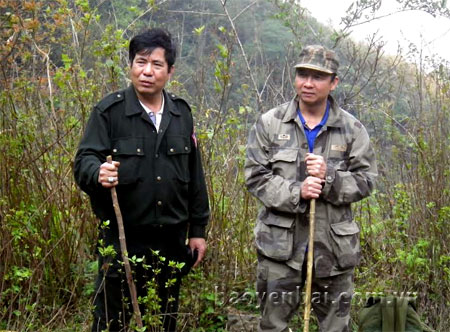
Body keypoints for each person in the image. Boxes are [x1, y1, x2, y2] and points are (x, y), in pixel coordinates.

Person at [74, 28, 210, 332]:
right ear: (131, 65)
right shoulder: (109, 112)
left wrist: (197, 230)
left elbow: (195, 177)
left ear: (170, 71)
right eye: (140, 62)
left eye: (156, 64)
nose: (147, 71)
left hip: (171, 243)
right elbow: (83, 161)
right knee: (112, 322)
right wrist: (97, 172)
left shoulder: (181, 114)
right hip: (123, 242)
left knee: (163, 322)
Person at [245, 45, 377, 331]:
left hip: (333, 250)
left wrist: (329, 177)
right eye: (302, 74)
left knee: (334, 327)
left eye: (318, 77)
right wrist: (297, 192)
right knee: (273, 325)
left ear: (334, 82)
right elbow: (255, 177)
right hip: (280, 250)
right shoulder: (269, 123)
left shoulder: (352, 129)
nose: (308, 83)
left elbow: (366, 180)